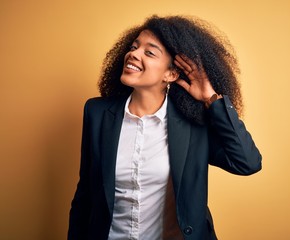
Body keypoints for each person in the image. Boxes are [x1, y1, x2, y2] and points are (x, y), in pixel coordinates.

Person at [68, 15, 262, 240]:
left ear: (171, 74)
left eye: (149, 52)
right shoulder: (97, 113)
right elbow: (85, 196)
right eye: (134, 47)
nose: (134, 54)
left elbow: (247, 162)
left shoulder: (194, 124)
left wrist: (211, 99)